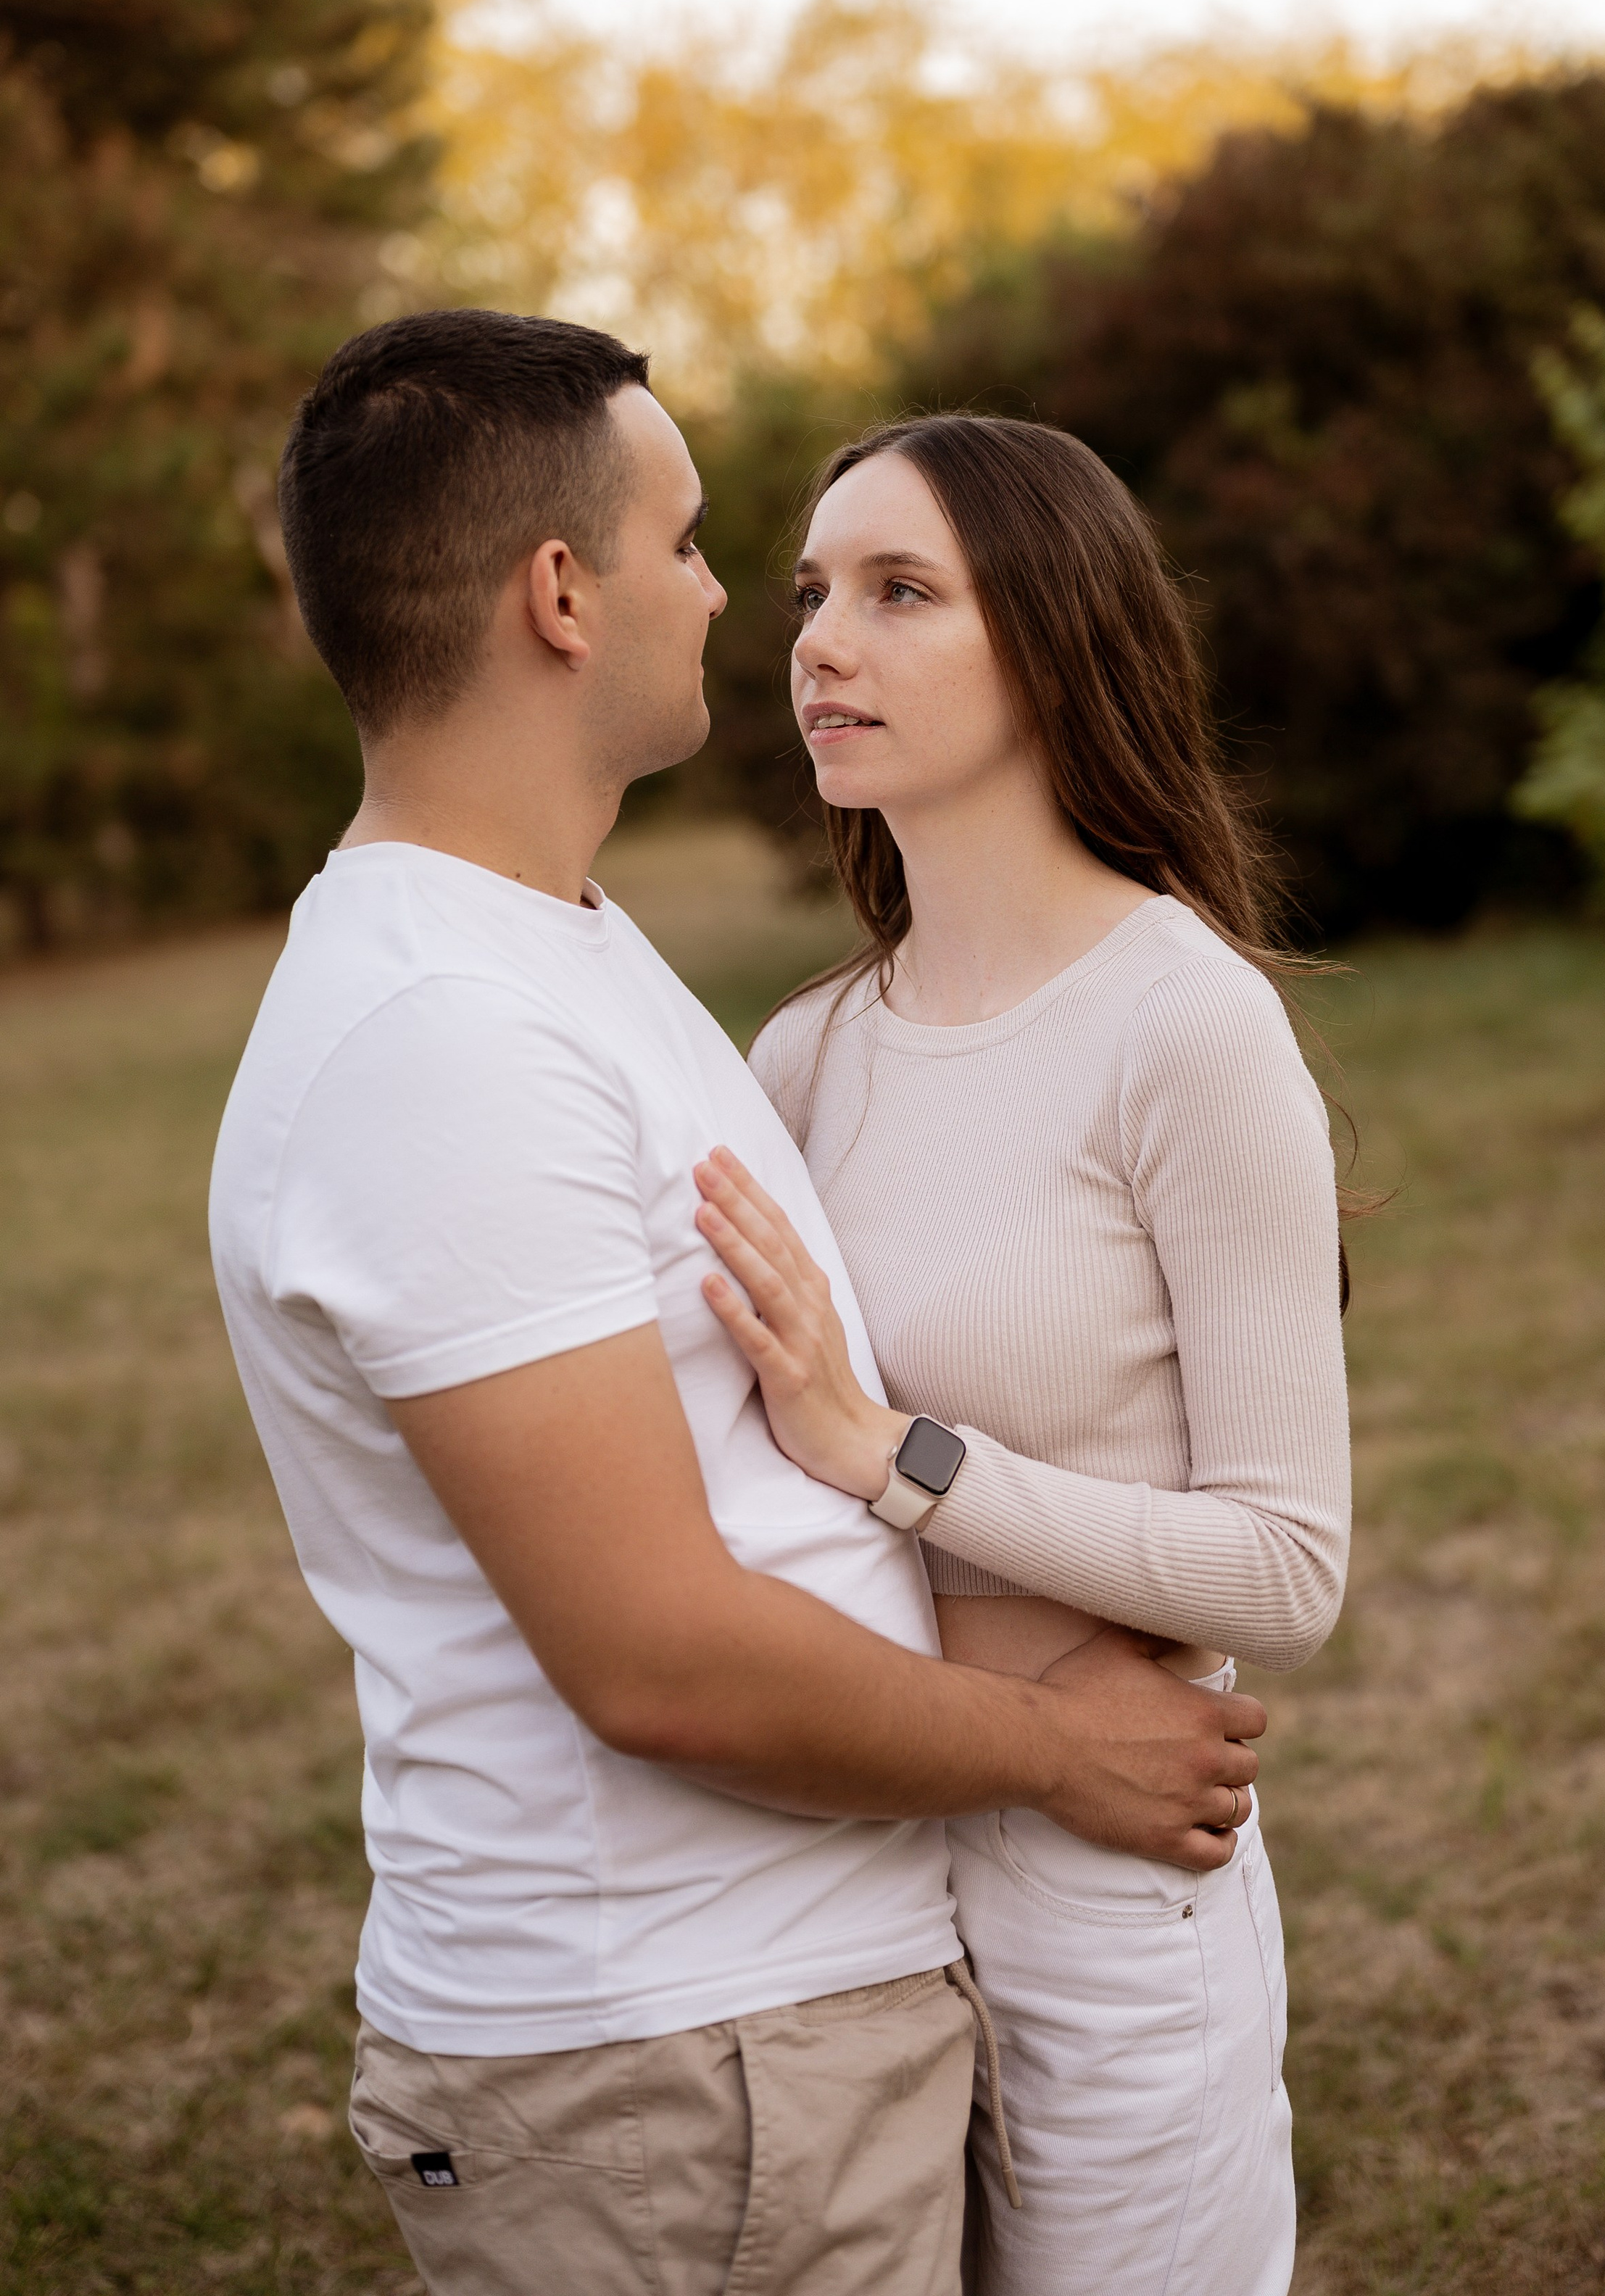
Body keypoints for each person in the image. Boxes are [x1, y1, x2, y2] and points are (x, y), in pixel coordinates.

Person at [207, 318, 1266, 2296]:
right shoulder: (449, 1032)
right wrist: (1055, 1749)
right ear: (557, 595)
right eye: (692, 545)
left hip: (760, 2032)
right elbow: (660, 1659)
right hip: (673, 2068)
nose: (729, 600)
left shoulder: (560, 950)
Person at [691, 413, 1353, 2296]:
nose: (822, 638)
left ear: (1057, 641)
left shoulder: (1185, 1026)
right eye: (814, 591)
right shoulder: (803, 1056)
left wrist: (896, 1450)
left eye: (903, 592)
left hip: (1110, 1883)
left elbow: (1290, 1570)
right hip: (855, 1868)